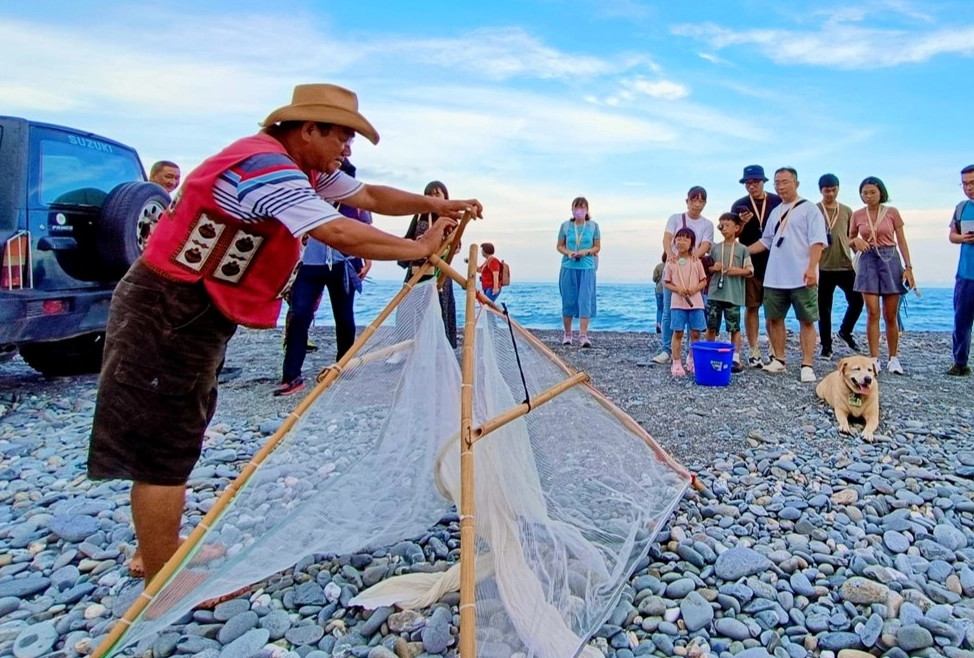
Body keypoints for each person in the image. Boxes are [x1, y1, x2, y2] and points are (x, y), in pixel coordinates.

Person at [87, 83, 482, 586]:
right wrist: (418, 249)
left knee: (185, 419)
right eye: (342, 136)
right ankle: (161, 576)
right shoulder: (266, 166)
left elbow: (367, 196)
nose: (347, 148)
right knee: (165, 437)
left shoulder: (305, 168)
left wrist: (438, 206)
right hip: (167, 305)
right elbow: (335, 230)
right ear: (308, 129)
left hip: (196, 306)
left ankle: (160, 547)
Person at [276, 158, 373, 396]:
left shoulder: (355, 201)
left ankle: (344, 365)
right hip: (309, 264)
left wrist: (368, 259)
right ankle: (291, 376)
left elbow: (366, 230)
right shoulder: (308, 195)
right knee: (299, 314)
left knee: (344, 317)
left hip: (344, 264)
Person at [747, 167, 827, 383]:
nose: (780, 187)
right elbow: (766, 241)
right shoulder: (775, 212)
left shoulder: (810, 209)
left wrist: (812, 268)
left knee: (806, 320)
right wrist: (740, 251)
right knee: (774, 318)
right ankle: (779, 360)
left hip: (801, 275)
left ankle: (807, 364)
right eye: (777, 183)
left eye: (785, 182)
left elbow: (818, 242)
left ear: (796, 183)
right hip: (775, 276)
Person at [849, 176, 915, 375]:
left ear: (881, 193)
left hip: (889, 258)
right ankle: (874, 358)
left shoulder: (892, 212)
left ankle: (893, 358)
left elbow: (901, 240)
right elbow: (849, 238)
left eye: (872, 192)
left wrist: (908, 267)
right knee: (872, 312)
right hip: (867, 260)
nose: (868, 196)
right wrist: (856, 242)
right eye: (865, 193)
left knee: (890, 314)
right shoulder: (857, 215)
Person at [652, 186, 714, 364]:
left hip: (692, 273)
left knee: (693, 312)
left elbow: (706, 244)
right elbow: (667, 238)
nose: (697, 204)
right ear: (687, 201)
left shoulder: (707, 224)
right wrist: (670, 254)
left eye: (700, 200)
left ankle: (690, 354)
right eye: (693, 200)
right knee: (669, 312)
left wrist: (694, 256)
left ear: (704, 203)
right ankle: (666, 350)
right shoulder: (675, 218)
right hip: (673, 270)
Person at [732, 165, 783, 367]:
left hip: (776, 262)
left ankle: (773, 347)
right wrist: (742, 223)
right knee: (752, 306)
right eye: (748, 183)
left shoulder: (778, 201)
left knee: (773, 309)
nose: (751, 186)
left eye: (755, 182)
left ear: (763, 182)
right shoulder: (739, 204)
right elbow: (732, 234)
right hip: (750, 264)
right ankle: (753, 349)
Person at [401, 181, 459, 348]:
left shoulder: (449, 218)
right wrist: (417, 243)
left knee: (440, 307)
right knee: (411, 307)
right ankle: (410, 345)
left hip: (440, 271)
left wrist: (440, 244)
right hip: (417, 270)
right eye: (429, 194)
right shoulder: (420, 215)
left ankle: (441, 347)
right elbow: (408, 238)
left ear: (445, 197)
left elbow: (456, 246)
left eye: (437, 194)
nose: (433, 197)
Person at [816, 173, 862, 359]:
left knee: (857, 300)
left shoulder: (847, 211)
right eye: (827, 191)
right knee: (823, 309)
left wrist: (856, 248)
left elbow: (852, 235)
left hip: (845, 265)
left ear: (838, 189)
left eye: (833, 190)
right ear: (821, 190)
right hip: (822, 266)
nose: (830, 194)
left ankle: (845, 331)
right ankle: (826, 346)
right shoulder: (814, 210)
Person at [705, 213, 753, 372]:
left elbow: (750, 270)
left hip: (733, 295)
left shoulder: (742, 249)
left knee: (734, 327)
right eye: (721, 225)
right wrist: (713, 268)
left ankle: (735, 357)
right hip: (715, 293)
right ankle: (708, 353)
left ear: (736, 227)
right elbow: (707, 269)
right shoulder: (715, 248)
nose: (723, 228)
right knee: (711, 325)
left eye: (727, 225)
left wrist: (738, 271)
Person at [556, 197, 600, 348]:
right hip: (568, 266)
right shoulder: (565, 226)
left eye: (582, 208)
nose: (579, 210)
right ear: (572, 210)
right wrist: (568, 252)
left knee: (585, 300)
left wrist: (586, 252)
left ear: (587, 210)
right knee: (568, 300)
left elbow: (597, 247)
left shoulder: (593, 226)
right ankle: (568, 334)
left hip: (587, 267)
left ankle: (583, 335)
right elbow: (559, 246)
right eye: (576, 207)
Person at [665, 227, 707, 376]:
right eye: (679, 238)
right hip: (677, 303)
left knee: (695, 333)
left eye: (686, 239)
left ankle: (692, 359)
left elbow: (703, 281)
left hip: (696, 303)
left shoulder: (696, 262)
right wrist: (677, 289)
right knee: (678, 332)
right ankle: (676, 362)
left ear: (692, 243)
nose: (681, 241)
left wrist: (695, 289)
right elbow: (666, 283)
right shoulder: (671, 262)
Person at [948, 164, 974, 376]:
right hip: (966, 274)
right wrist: (963, 238)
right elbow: (952, 236)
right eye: (964, 184)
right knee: (961, 320)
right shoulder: (961, 208)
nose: (968, 188)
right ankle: (960, 362)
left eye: (972, 183)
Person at [652, 253, 666, 334]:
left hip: (658, 289)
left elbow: (654, 279)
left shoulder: (658, 266)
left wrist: (658, 278)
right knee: (667, 310)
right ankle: (667, 327)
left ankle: (658, 324)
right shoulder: (672, 265)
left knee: (659, 309)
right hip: (667, 290)